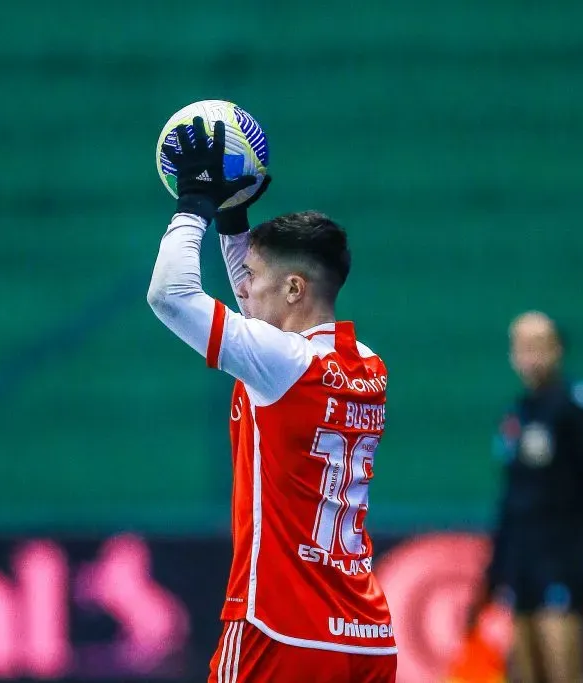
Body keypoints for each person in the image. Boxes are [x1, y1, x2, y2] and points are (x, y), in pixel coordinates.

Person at [147, 118, 398, 682]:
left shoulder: (282, 364)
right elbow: (261, 307)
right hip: (365, 637)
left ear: (293, 289)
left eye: (254, 278)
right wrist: (235, 219)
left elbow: (170, 294)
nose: (242, 290)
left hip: (279, 629)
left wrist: (195, 204)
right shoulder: (366, 365)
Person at [467, 311, 583, 683]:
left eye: (537, 346)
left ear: (557, 349)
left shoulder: (577, 406)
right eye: (520, 347)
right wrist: (496, 570)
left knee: (565, 662)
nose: (528, 356)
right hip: (523, 563)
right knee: (524, 667)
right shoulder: (518, 412)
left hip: (563, 561)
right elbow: (511, 499)